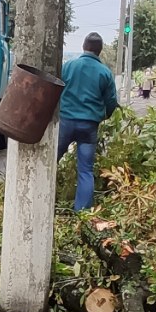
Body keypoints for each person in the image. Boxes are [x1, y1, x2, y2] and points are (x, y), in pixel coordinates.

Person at [56, 32, 118, 211]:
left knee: (51, 162)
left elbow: (55, 90)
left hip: (65, 123)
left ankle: (42, 199)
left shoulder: (69, 66)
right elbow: (111, 102)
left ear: (84, 46)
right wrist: (104, 116)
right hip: (89, 126)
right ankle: (82, 213)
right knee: (85, 171)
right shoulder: (105, 72)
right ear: (100, 50)